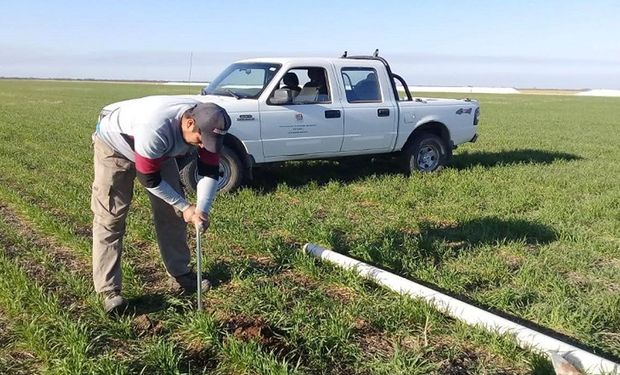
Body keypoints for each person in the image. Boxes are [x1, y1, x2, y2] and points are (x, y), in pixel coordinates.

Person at [91, 96, 231, 314]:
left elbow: (209, 171)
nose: (203, 145)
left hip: (160, 152)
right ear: (188, 123)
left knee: (172, 213)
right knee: (111, 217)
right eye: (200, 139)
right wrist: (186, 207)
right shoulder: (155, 127)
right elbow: (149, 180)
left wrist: (201, 209)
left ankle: (180, 274)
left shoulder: (208, 125)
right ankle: (109, 291)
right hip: (116, 146)